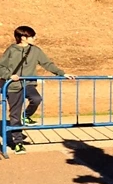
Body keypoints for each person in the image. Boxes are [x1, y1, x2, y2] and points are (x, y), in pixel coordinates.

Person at [0, 25, 73, 154]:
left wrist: (62, 73)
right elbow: (1, 67)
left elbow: (47, 64)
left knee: (36, 98)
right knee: (14, 115)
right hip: (13, 86)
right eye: (32, 36)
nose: (35, 38)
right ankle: (18, 143)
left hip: (28, 83)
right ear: (23, 37)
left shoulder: (36, 51)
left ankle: (26, 116)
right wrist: (9, 76)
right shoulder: (11, 50)